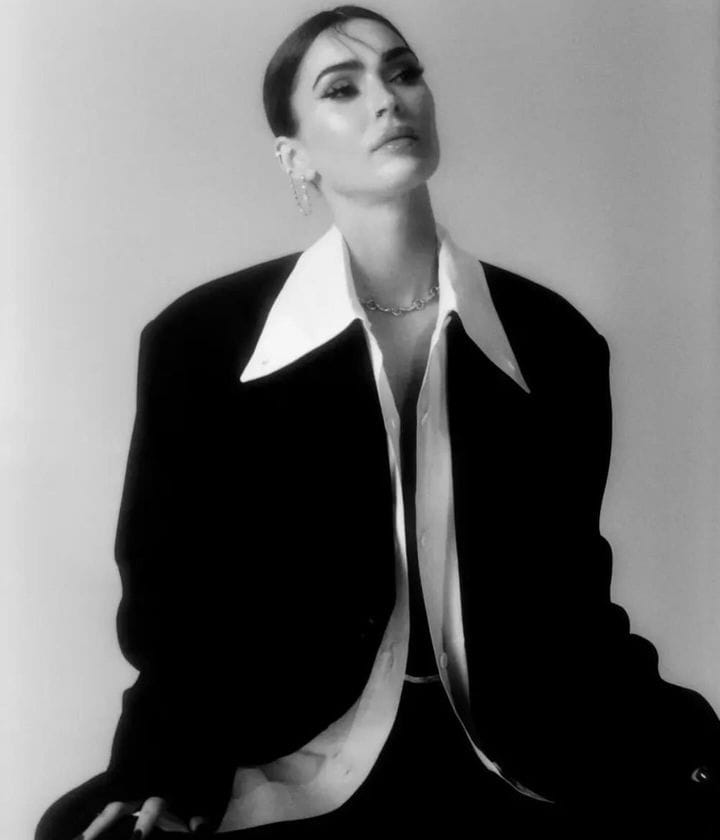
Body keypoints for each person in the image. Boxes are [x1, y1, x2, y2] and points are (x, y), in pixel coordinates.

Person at [36, 6, 720, 839]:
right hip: (287, 760)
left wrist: (686, 748)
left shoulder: (556, 341)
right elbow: (172, 600)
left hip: (516, 752)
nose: (389, 100)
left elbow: (570, 602)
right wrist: (162, 768)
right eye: (342, 89)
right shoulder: (200, 341)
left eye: (404, 72)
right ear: (294, 156)